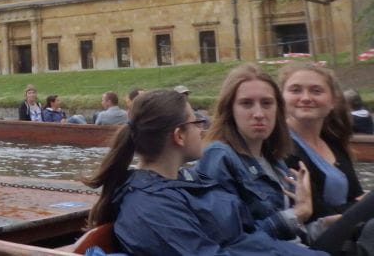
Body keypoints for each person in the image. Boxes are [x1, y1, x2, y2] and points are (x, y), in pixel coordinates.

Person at [84, 89, 323, 255]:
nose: (202, 129)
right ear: (179, 135)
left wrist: (298, 218)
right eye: (196, 122)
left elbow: (238, 238)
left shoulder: (185, 182)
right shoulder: (152, 209)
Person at [195, 64, 317, 243]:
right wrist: (298, 213)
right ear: (230, 110)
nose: (259, 113)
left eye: (267, 103)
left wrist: (321, 226)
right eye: (246, 104)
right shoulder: (219, 157)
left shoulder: (275, 160)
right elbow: (231, 241)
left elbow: (294, 233)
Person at [279, 63, 374, 251]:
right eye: (296, 90)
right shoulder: (280, 147)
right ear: (282, 99)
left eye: (316, 91)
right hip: (312, 242)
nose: (306, 98)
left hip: (352, 233)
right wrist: (359, 204)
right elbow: (314, 213)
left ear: (332, 101)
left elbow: (355, 194)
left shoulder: (333, 142)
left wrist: (358, 203)